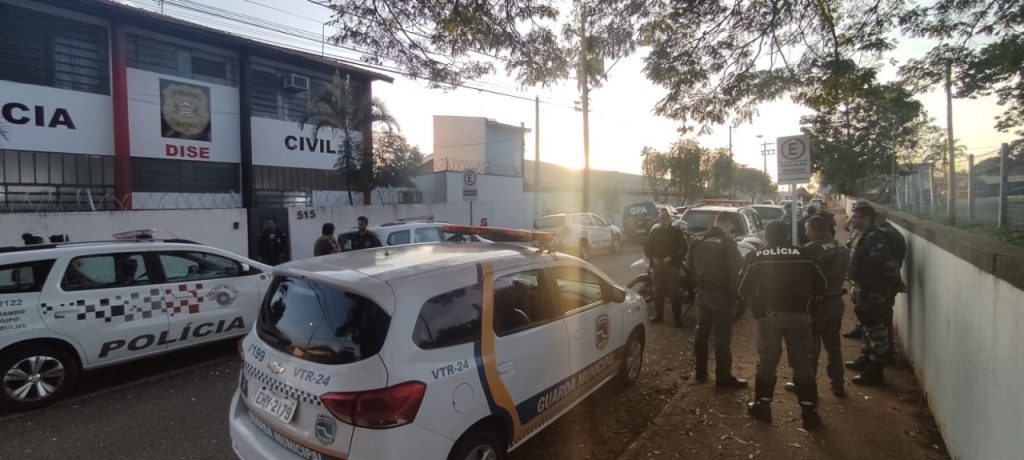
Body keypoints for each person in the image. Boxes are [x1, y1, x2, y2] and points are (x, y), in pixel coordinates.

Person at [740, 220, 827, 429]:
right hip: (799, 316)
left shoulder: (756, 257)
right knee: (802, 363)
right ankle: (809, 413)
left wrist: (757, 305)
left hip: (768, 318)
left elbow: (743, 289)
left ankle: (763, 407)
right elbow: (821, 285)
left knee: (767, 362)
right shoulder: (804, 255)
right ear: (787, 235)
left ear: (767, 236)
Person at [785, 215, 850, 397]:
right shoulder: (841, 247)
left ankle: (806, 383)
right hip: (836, 301)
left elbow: (800, 279)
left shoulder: (810, 250)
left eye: (807, 229)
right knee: (833, 345)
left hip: (816, 304)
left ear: (814, 230)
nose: (805, 233)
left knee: (810, 346)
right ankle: (837, 384)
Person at [845, 204, 903, 386]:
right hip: (864, 289)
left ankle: (876, 371)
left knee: (877, 329)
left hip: (876, 292)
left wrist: (895, 283)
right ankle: (866, 359)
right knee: (867, 326)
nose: (852, 220)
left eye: (857, 217)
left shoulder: (876, 238)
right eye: (853, 217)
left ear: (868, 218)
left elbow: (888, 265)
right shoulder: (861, 235)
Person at [687, 211, 747, 388]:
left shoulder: (696, 239)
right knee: (722, 338)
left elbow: (689, 265)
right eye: (731, 228)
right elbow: (737, 270)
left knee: (701, 333)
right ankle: (723, 377)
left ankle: (700, 372)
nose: (731, 231)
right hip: (722, 297)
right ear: (727, 225)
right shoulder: (727, 243)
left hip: (702, 294)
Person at [644, 208, 688, 326]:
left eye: (664, 219)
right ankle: (659, 315)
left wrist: (671, 257)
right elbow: (647, 247)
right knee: (658, 291)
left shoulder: (676, 232)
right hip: (658, 266)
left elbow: (684, 248)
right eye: (660, 219)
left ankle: (677, 319)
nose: (662, 221)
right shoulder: (655, 231)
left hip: (672, 267)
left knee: (674, 293)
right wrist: (652, 257)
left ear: (669, 219)